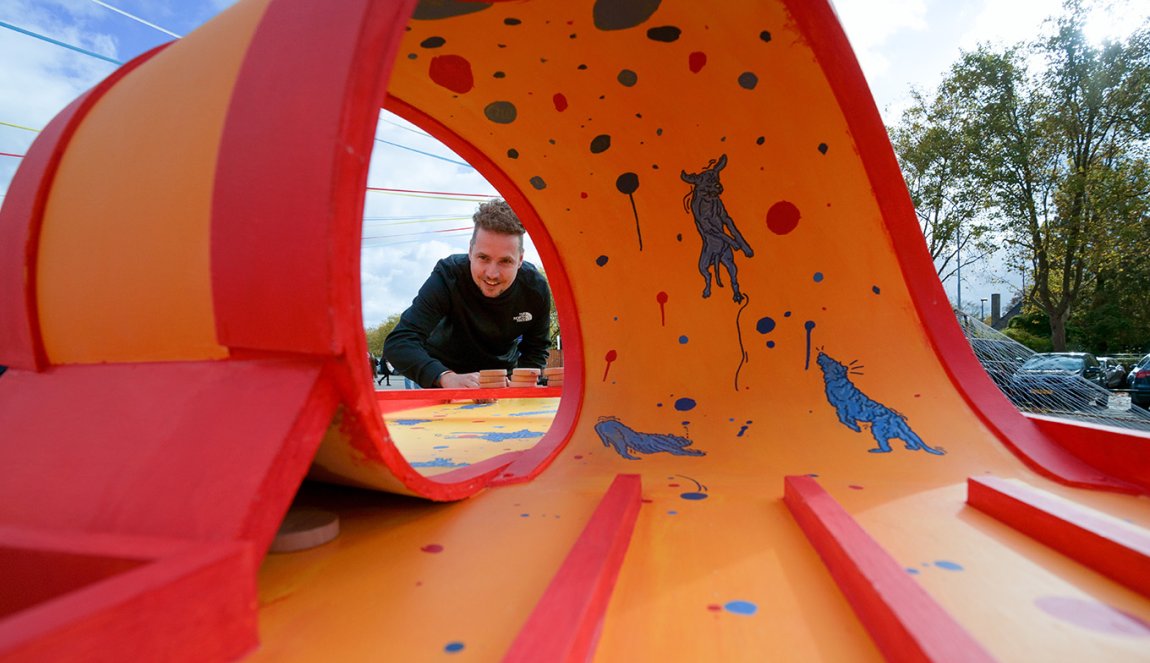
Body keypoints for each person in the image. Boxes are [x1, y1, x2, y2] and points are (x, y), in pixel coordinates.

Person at [384, 199, 552, 389]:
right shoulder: (447, 275)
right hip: (439, 375)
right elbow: (399, 342)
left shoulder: (535, 289)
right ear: (470, 251)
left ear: (520, 260)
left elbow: (536, 349)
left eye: (505, 261)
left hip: (499, 381)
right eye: (483, 258)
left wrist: (519, 384)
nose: (492, 273)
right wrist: (445, 377)